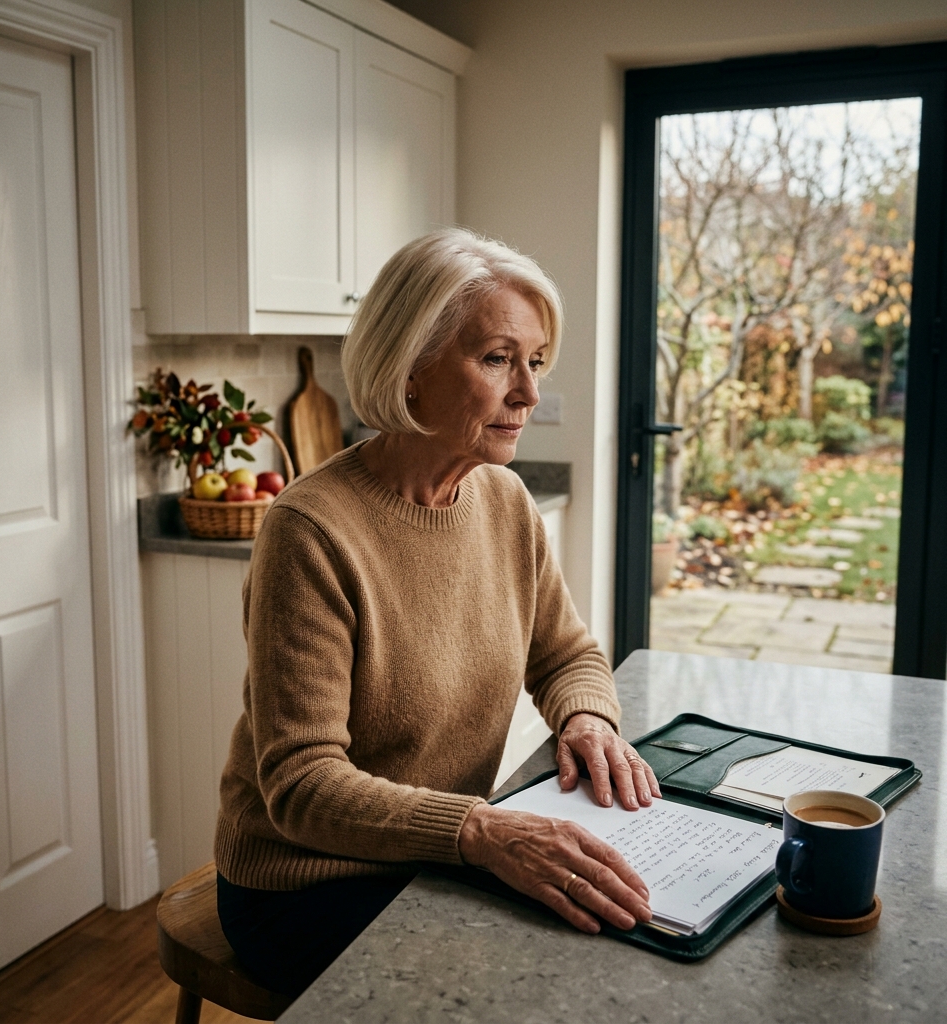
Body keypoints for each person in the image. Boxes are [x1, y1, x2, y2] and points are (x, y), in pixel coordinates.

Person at [214, 228, 661, 998]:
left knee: (611, 941)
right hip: (304, 884)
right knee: (543, 977)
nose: (528, 394)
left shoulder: (504, 500)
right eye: (497, 359)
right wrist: (480, 831)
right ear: (409, 368)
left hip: (438, 853)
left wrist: (588, 720)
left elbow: (565, 654)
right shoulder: (310, 530)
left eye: (535, 362)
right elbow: (301, 785)